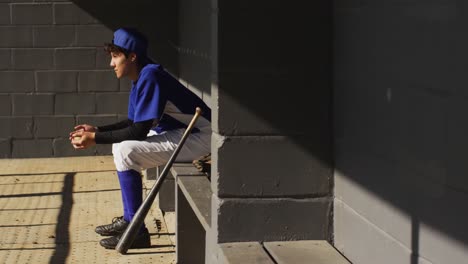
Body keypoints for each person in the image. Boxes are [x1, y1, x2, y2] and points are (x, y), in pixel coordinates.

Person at [69, 27, 211, 250]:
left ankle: (137, 232)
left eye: (116, 56)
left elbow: (138, 133)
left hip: (200, 136)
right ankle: (130, 220)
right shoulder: (142, 76)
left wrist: (95, 138)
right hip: (183, 133)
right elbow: (133, 123)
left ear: (132, 56)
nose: (111, 63)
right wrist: (97, 128)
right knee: (120, 147)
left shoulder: (151, 76)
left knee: (127, 150)